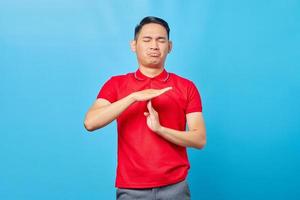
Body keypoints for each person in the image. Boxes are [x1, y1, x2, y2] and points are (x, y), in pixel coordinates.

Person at [84, 16, 206, 200]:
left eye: (161, 40)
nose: (154, 46)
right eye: (147, 40)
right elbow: (90, 123)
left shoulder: (186, 87)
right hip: (131, 189)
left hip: (175, 187)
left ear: (170, 46)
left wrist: (160, 129)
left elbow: (199, 139)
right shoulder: (116, 84)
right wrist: (133, 97)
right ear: (134, 45)